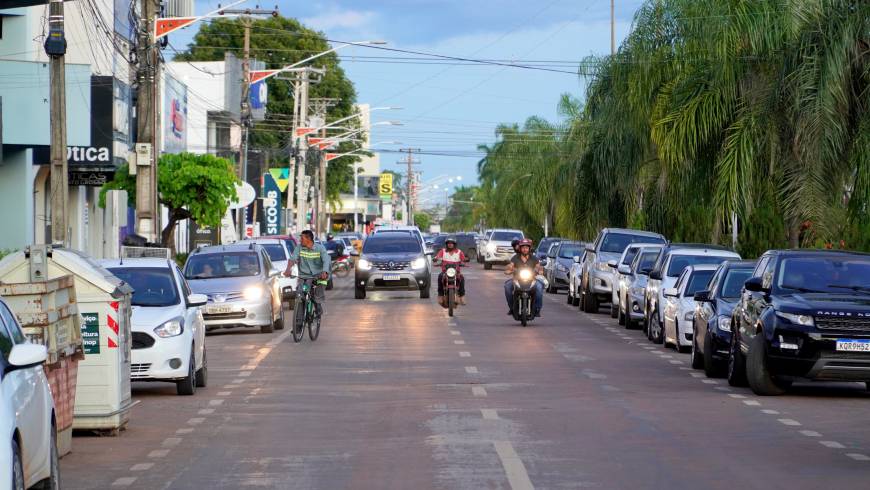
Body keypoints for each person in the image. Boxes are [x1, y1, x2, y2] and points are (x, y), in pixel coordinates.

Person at [285, 230, 331, 314]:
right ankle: (301, 316)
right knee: (301, 293)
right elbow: (292, 259)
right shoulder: (299, 247)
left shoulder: (320, 248)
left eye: (302, 238)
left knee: (317, 295)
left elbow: (326, 260)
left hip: (319, 276)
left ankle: (317, 305)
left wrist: (324, 272)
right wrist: (288, 270)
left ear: (309, 238)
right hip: (304, 277)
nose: (300, 240)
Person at [504, 238, 544, 317]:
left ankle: (537, 309)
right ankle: (512, 307)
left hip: (531, 280)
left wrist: (539, 271)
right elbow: (510, 266)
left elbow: (539, 267)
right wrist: (509, 269)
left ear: (529, 248)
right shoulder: (515, 257)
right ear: (520, 248)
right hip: (517, 280)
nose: (525, 249)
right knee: (507, 286)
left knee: (539, 288)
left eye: (526, 247)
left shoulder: (534, 258)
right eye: (523, 247)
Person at [433, 237, 467, 307]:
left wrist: (465, 261)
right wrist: (435, 259)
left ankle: (462, 296)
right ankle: (440, 295)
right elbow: (437, 257)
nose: (450, 245)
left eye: (452, 243)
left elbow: (464, 259)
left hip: (456, 272)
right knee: (440, 277)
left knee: (462, 278)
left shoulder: (459, 252)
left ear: (454, 244)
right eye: (448, 243)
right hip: (445, 272)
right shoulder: (442, 251)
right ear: (446, 244)